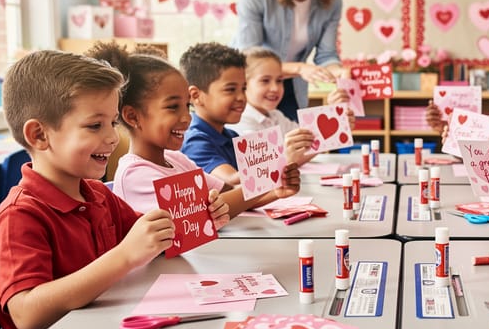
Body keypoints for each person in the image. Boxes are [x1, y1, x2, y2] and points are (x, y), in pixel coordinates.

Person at [0, 50, 229, 329]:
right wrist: (125, 256)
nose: (113, 138)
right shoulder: (20, 216)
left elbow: (158, 247)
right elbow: (27, 314)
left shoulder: (98, 195)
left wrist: (200, 217)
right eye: (94, 125)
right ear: (39, 135)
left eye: (112, 123)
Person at [86, 43, 301, 216]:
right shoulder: (136, 174)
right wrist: (264, 182)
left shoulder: (176, 159)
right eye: (172, 107)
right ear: (133, 116)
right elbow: (201, 215)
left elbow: (228, 195)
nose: (186, 117)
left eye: (186, 106)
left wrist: (274, 189)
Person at [228, 46, 355, 166]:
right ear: (243, 84)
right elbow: (264, 170)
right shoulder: (241, 121)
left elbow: (309, 140)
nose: (275, 88)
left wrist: (335, 117)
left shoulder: (275, 115)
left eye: (279, 81)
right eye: (265, 80)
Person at [179, 42, 249, 187]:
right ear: (196, 95)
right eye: (230, 89)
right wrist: (282, 158)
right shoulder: (194, 141)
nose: (241, 97)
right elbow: (231, 182)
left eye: (244, 88)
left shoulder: (232, 136)